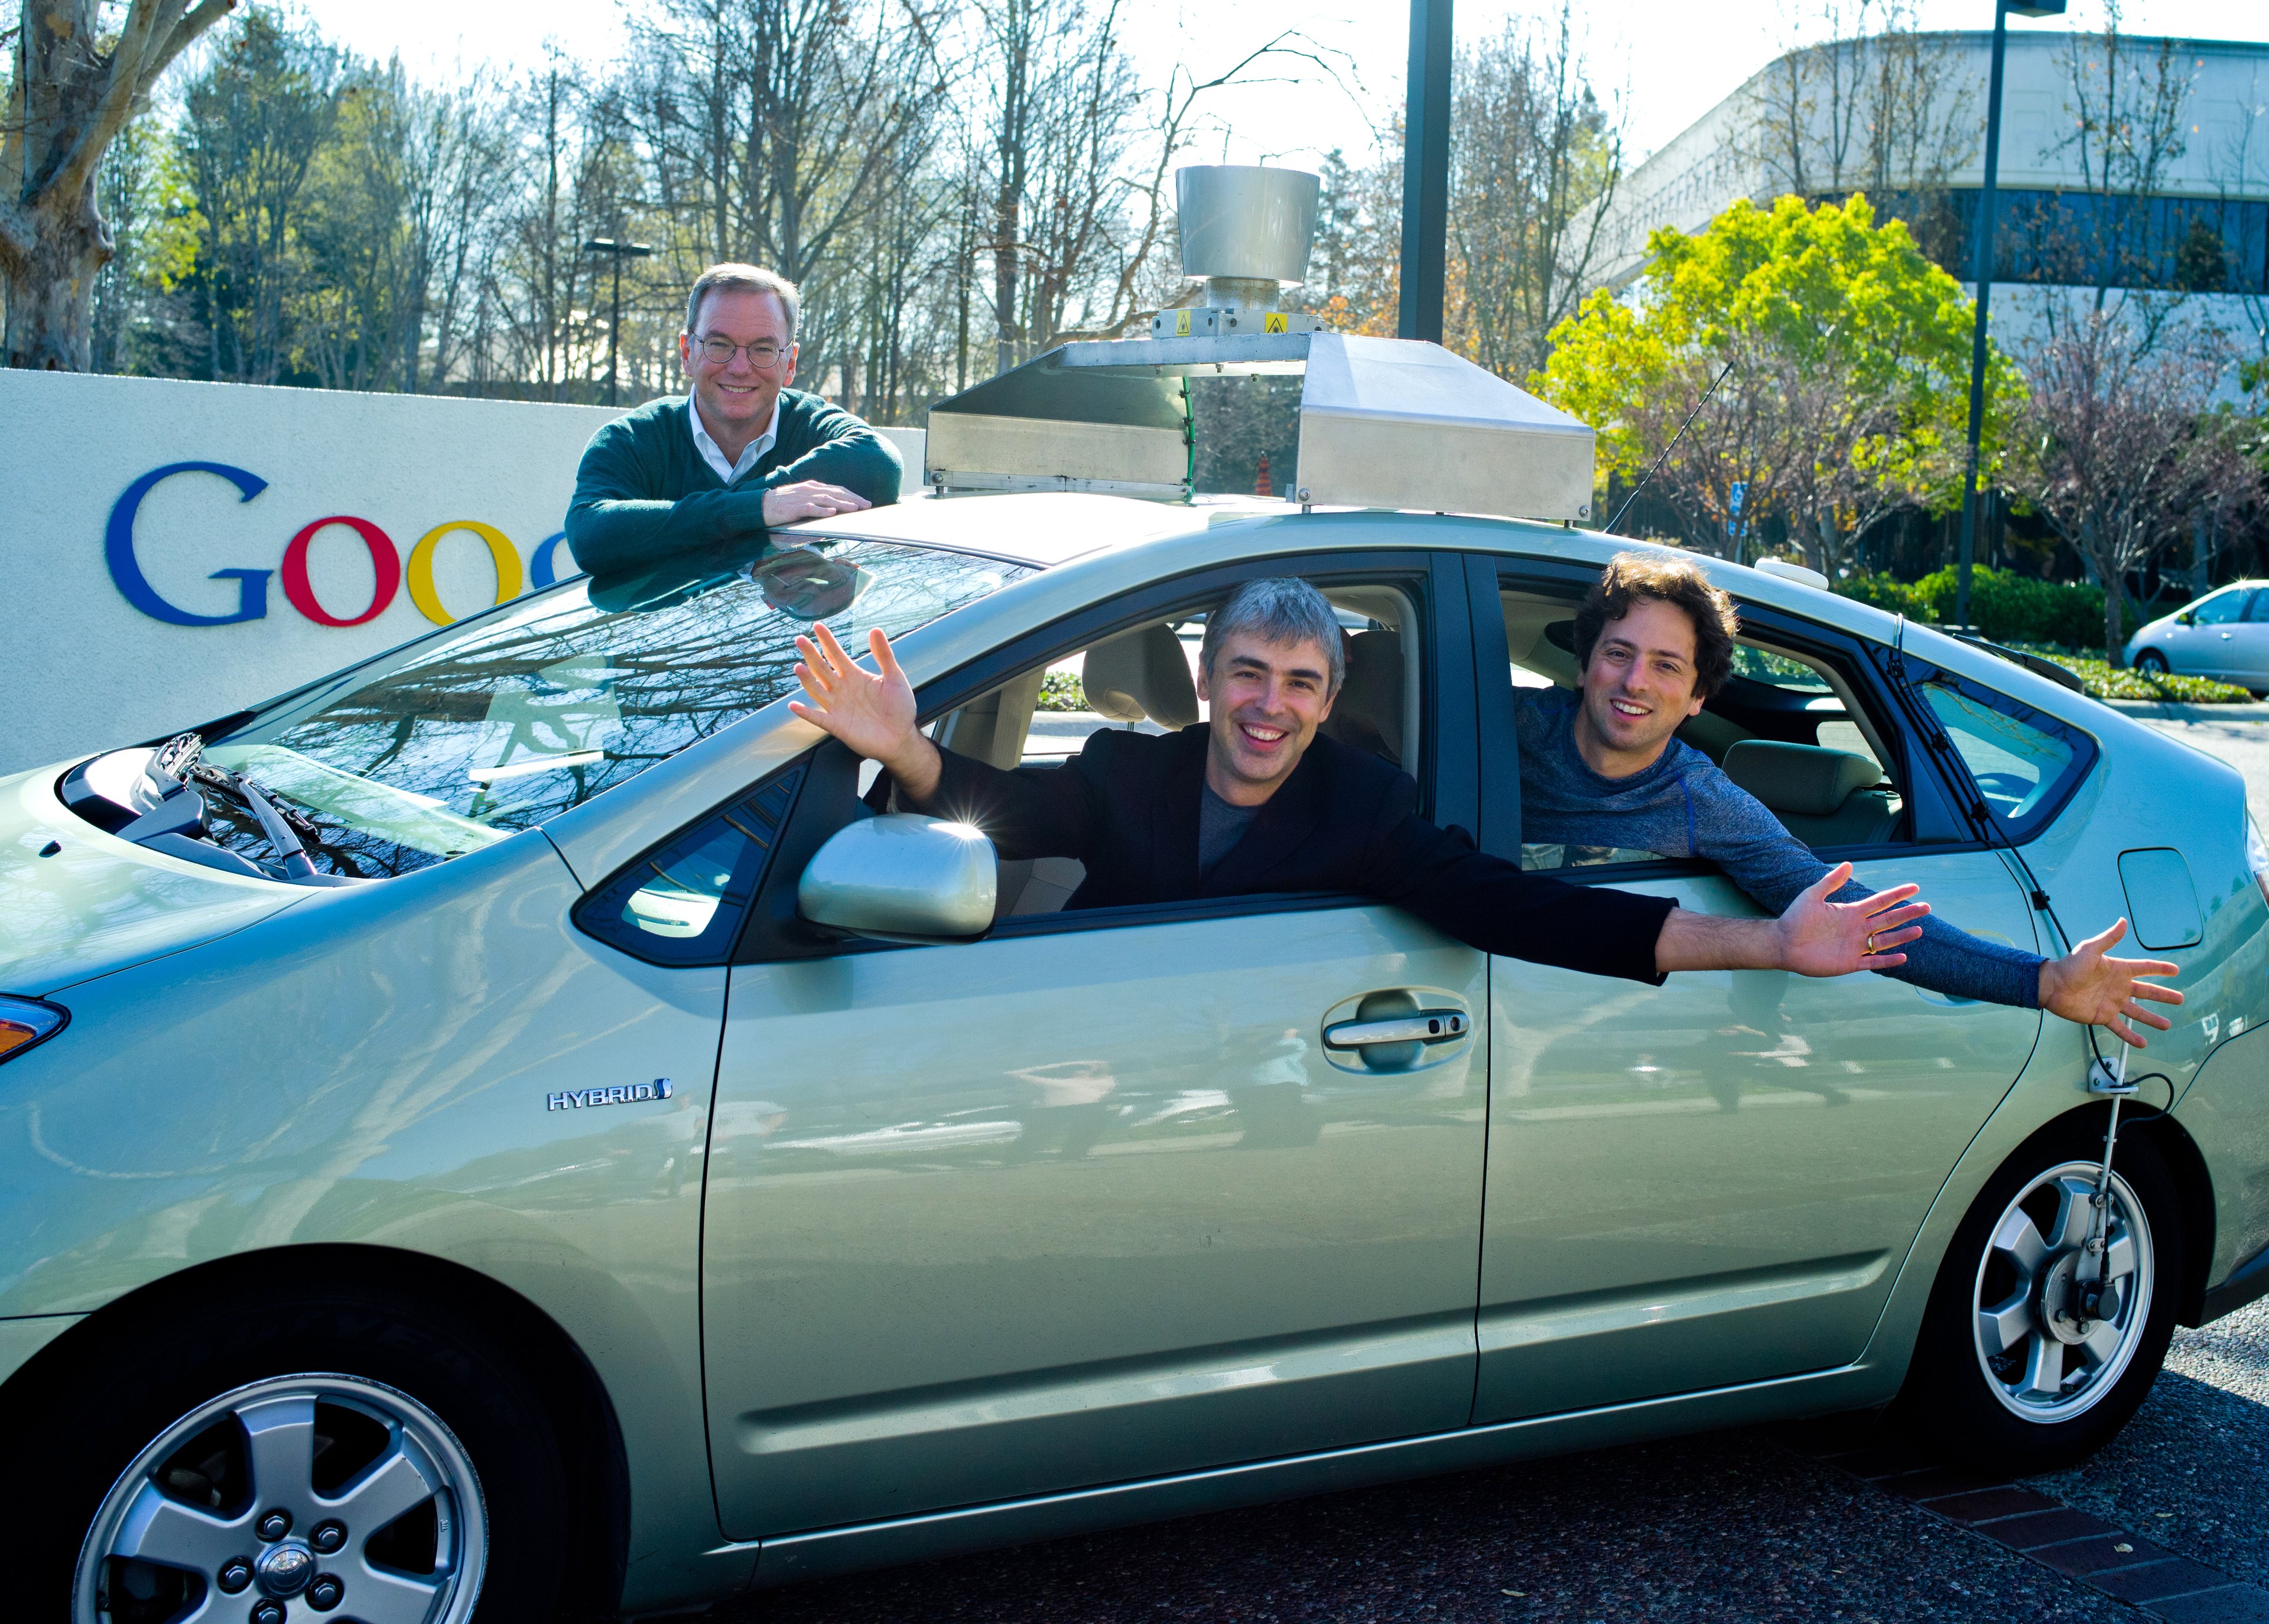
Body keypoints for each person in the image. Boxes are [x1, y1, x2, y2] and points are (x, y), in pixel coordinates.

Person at [787, 577, 1935, 987]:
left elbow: (1531, 913)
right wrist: (898, 745)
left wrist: (1773, 943)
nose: (1267, 706)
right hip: (1117, 1054)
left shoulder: (1367, 810)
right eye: (1246, 672)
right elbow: (1006, 809)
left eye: (1298, 681)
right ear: (1207, 676)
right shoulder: (1125, 770)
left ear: (1329, 701)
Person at [1515, 549, 2182, 1046]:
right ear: (1583, 662)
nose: (1635, 681)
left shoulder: (1702, 801)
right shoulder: (1499, 729)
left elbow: (1862, 917)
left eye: (1667, 665)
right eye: (1619, 653)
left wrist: (2043, 981)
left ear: (1697, 698)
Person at [564, 263, 903, 576]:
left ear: (790, 363)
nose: (740, 368)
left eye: (763, 349)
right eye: (719, 344)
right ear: (687, 354)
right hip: (667, 642)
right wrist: (760, 507)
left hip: (795, 639)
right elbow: (590, 532)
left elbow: (879, 465)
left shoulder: (812, 426)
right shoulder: (633, 440)